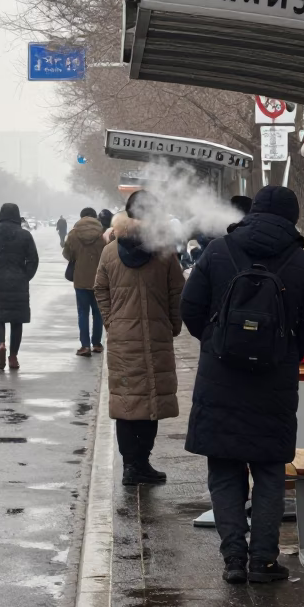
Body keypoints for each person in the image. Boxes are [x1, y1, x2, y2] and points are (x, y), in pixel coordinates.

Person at [181, 186, 304, 585]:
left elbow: (190, 308)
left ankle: (233, 559)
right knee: (268, 470)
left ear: (253, 213)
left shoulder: (217, 251)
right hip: (273, 383)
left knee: (225, 469)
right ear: (292, 218)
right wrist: (285, 350)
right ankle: (263, 561)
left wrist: (217, 344)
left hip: (220, 379)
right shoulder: (303, 262)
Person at [94, 191, 184, 486]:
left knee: (126, 402)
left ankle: (130, 466)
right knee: (151, 402)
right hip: (156, 334)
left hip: (121, 337)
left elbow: (100, 290)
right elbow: (176, 293)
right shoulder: (164, 251)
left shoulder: (109, 251)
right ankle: (141, 463)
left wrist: (111, 322)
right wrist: (172, 325)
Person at [0, 202, 39, 371]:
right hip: (19, 282)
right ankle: (13, 357)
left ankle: (0, 345)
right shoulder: (25, 235)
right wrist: (25, 276)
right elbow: (33, 259)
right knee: (16, 320)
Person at [62, 208, 106, 357]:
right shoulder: (102, 234)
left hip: (80, 279)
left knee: (83, 312)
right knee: (98, 312)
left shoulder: (74, 234)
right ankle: (97, 344)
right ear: (95, 217)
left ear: (81, 217)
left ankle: (85, 346)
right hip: (99, 279)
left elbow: (67, 254)